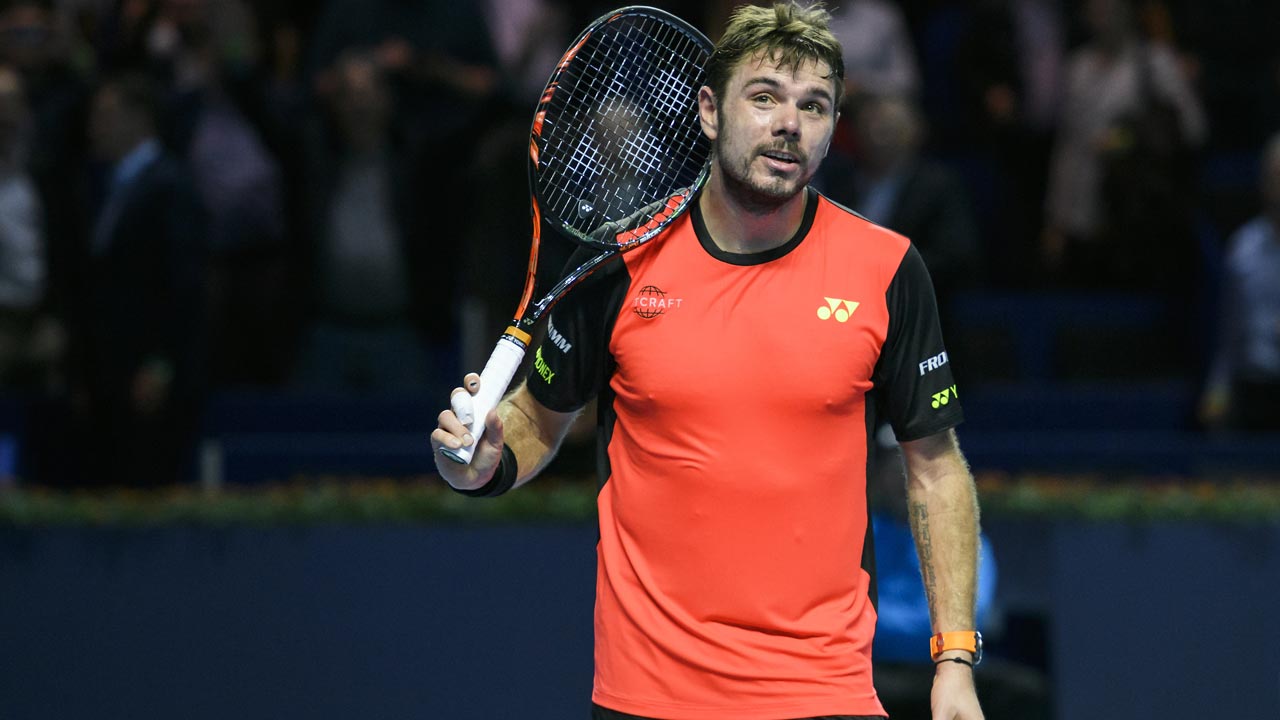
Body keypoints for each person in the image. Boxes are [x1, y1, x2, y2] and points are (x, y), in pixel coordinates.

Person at [433, 4, 985, 719]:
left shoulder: (887, 269)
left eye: (814, 106)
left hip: (823, 692)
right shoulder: (618, 260)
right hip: (648, 697)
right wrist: (484, 464)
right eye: (764, 97)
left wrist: (956, 662)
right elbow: (535, 418)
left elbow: (936, 468)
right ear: (708, 111)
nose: (790, 123)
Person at [72, 71, 208, 486]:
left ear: (139, 118)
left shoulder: (170, 184)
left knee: (146, 483)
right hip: (109, 372)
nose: (94, 127)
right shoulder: (106, 185)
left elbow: (182, 284)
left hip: (147, 375)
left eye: (105, 115)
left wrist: (161, 363)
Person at [1200, 132, 1280, 433]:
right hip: (1255, 389)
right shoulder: (1242, 248)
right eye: (1276, 175)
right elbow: (1228, 334)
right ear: (1264, 181)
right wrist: (1216, 391)